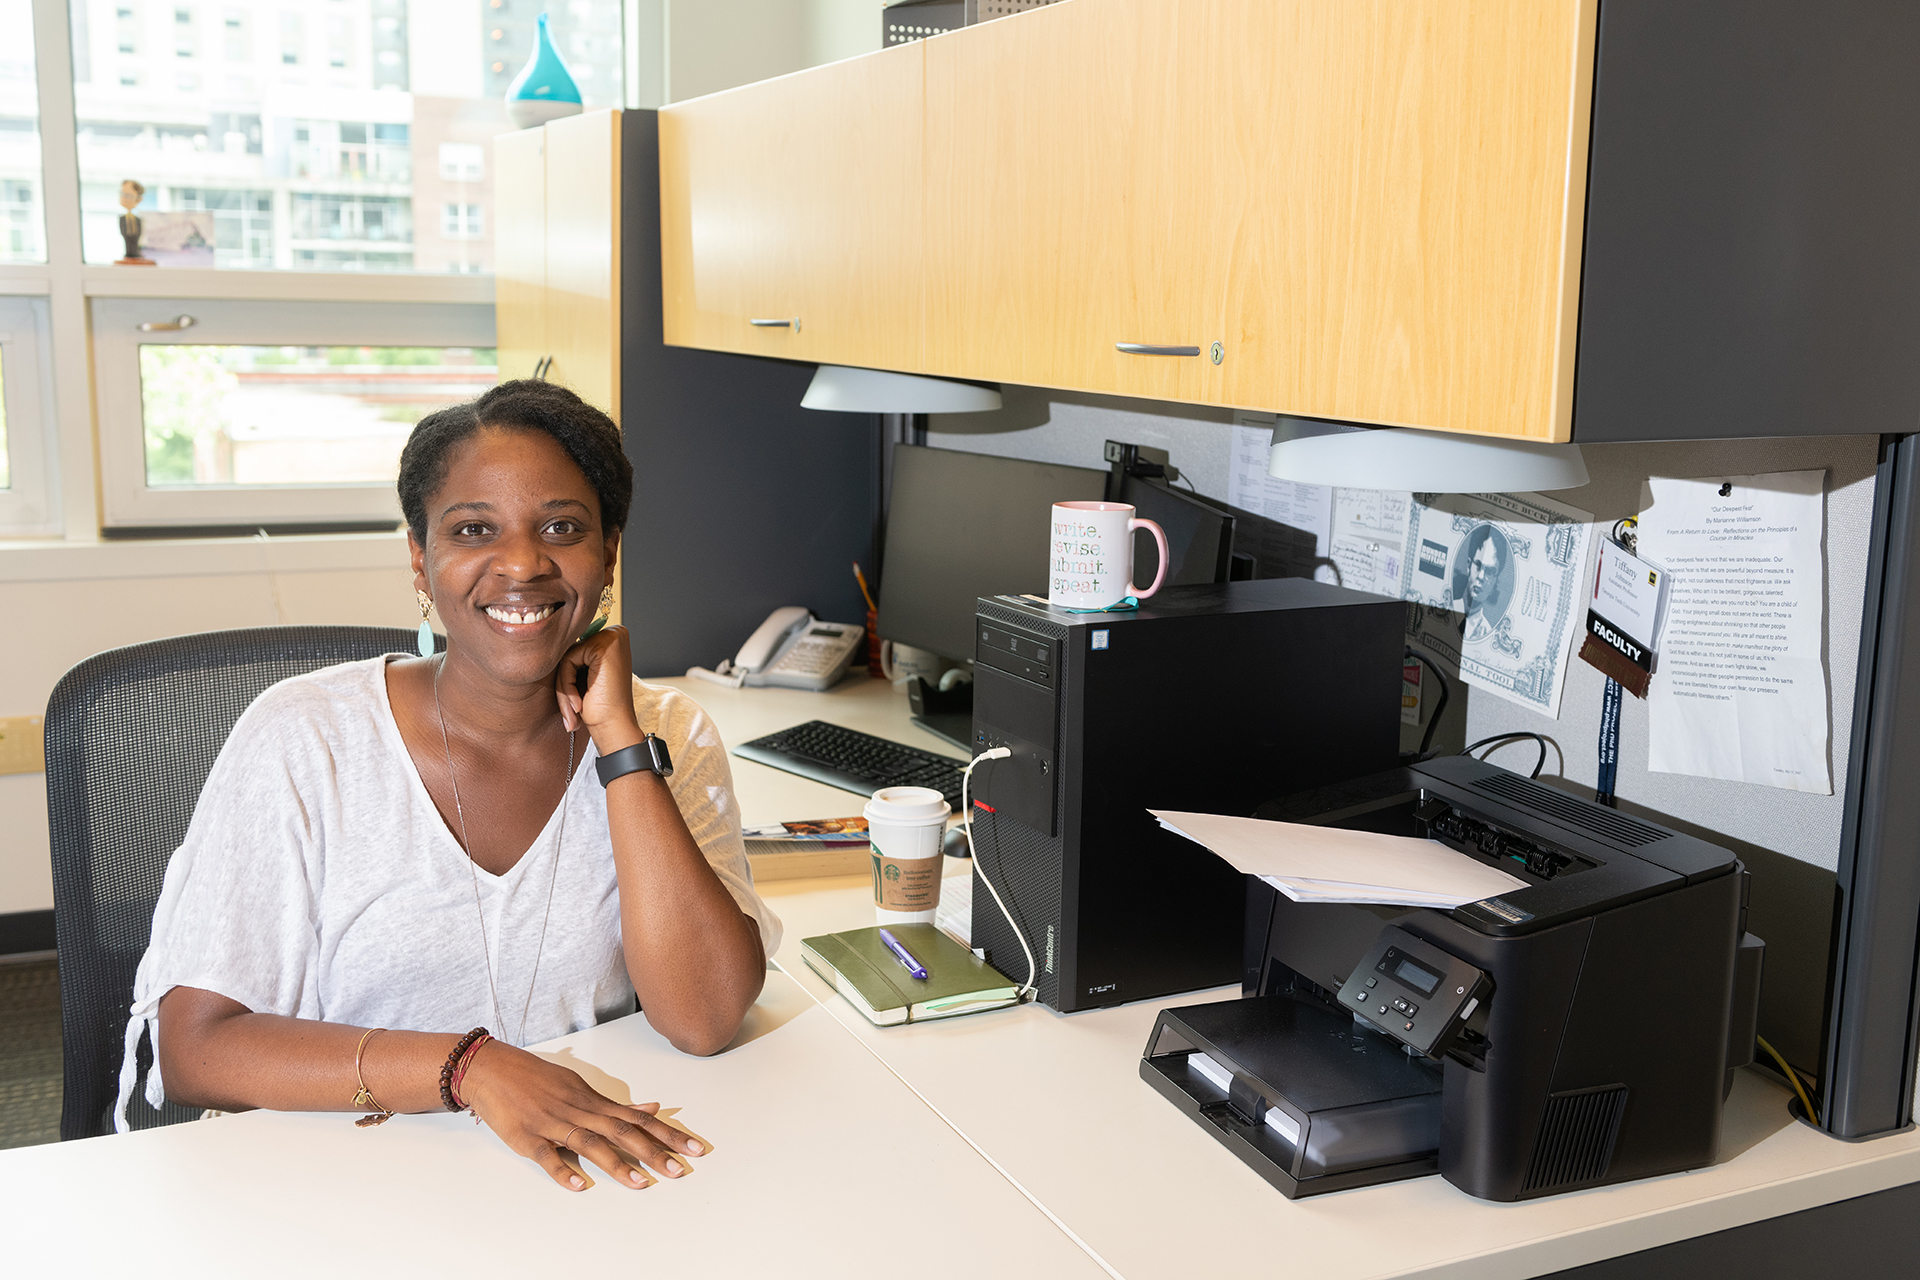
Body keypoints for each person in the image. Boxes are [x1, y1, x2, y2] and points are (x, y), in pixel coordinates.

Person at [120, 379, 780, 1193]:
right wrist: (470, 1067)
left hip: (573, 1184)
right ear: (419, 558)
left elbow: (705, 1018)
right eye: (473, 529)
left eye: (562, 528)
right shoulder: (304, 737)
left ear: (608, 552)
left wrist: (620, 743)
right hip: (336, 1185)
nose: (523, 563)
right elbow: (196, 1051)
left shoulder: (665, 730)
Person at [1457, 523, 1512, 644]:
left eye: (1490, 572)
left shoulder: (1488, 634)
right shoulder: (1446, 609)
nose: (1481, 576)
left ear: (1495, 580)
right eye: (1478, 565)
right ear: (1468, 566)